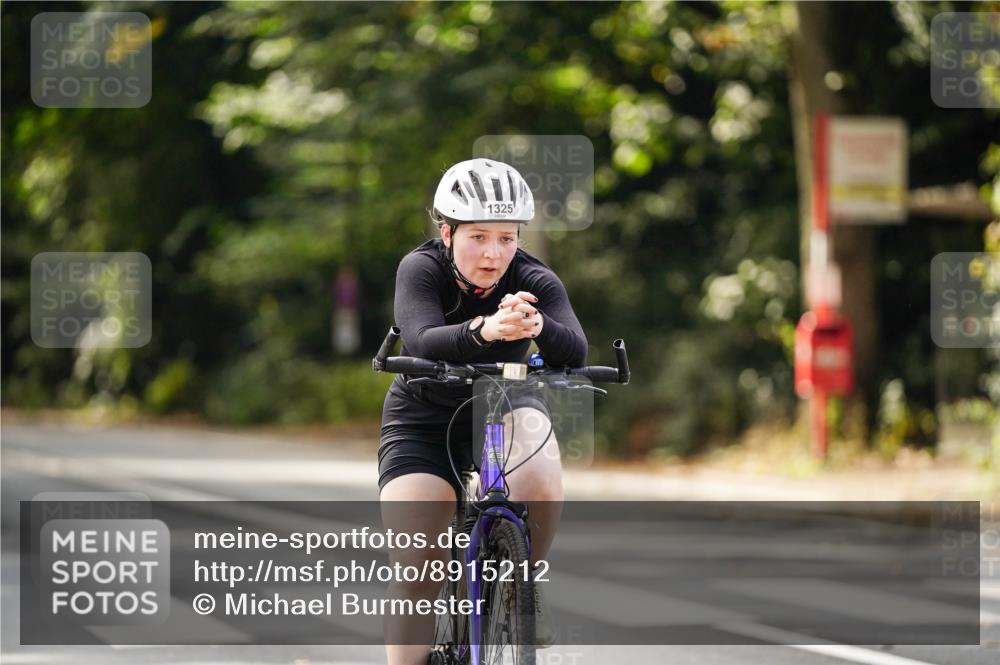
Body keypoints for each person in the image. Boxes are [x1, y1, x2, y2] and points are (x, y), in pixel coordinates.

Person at [378, 158, 587, 665]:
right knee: (416, 565)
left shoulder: (534, 276)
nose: (494, 253)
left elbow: (575, 350)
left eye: (507, 238)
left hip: (506, 404)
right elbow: (423, 340)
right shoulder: (421, 268)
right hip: (424, 418)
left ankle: (526, 583)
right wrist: (485, 330)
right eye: (479, 237)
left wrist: (537, 325)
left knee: (539, 473)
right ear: (446, 232)